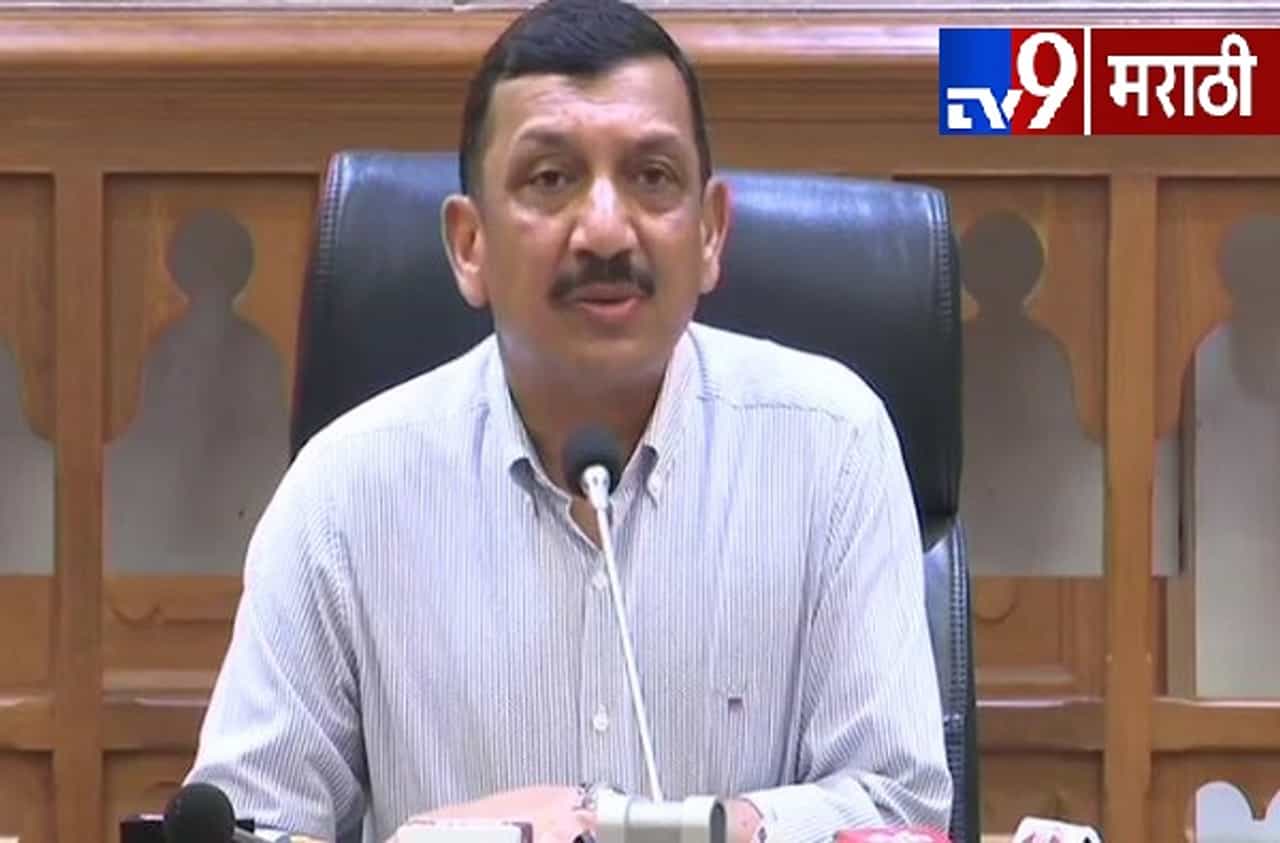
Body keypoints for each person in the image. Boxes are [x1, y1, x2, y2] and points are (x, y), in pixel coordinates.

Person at [184, 1, 952, 841]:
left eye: (652, 177)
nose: (606, 230)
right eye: (551, 179)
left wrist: (668, 830)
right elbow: (247, 824)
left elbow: (900, 809)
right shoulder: (344, 491)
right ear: (469, 244)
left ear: (709, 234)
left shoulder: (832, 446)